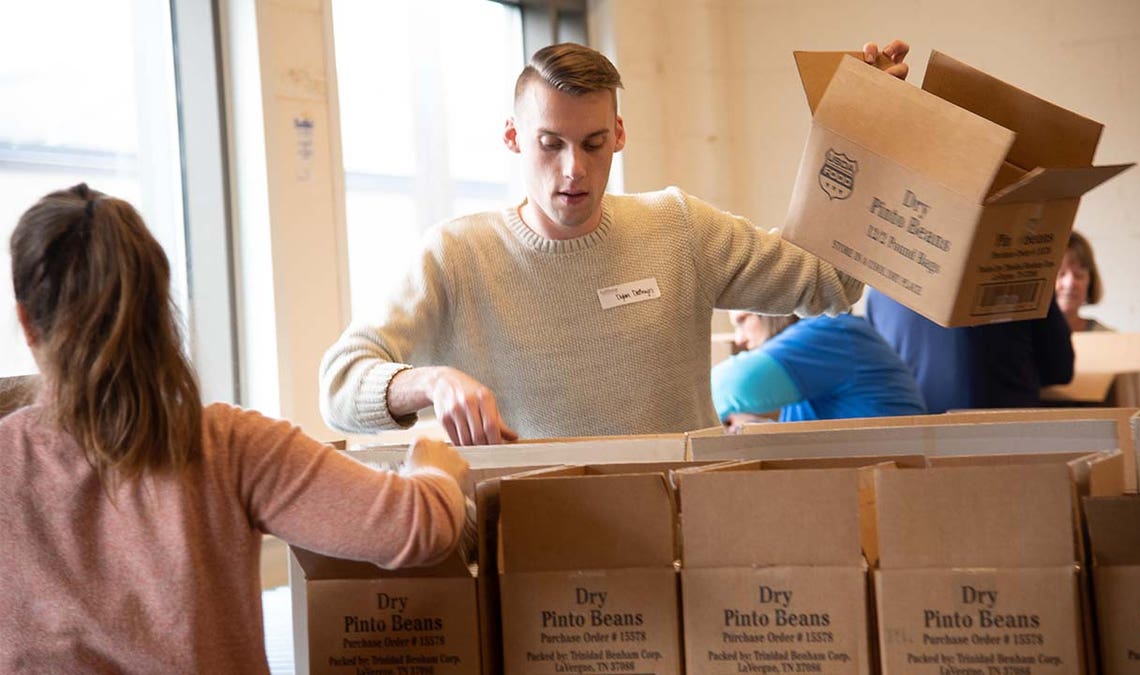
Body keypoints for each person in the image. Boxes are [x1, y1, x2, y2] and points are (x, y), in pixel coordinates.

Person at [320, 40, 911, 445]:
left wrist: (869, 129)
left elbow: (832, 278)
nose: (573, 169)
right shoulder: (455, 257)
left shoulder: (679, 228)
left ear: (619, 134)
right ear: (512, 137)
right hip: (528, 551)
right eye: (550, 144)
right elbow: (340, 383)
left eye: (594, 143)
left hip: (686, 544)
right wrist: (428, 381)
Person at [1, 184, 469, 672]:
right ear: (159, 311)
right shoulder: (226, 445)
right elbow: (416, 527)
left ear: (27, 323)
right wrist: (433, 463)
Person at [865, 290, 1075, 414]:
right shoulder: (1022, 277)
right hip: (1007, 442)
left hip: (917, 445)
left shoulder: (878, 292)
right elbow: (1060, 369)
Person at [711, 311, 926, 425]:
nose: (739, 338)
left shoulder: (830, 332)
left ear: (769, 305)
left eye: (741, 321)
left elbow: (724, 387)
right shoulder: (830, 338)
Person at [1056, 231, 1111, 332]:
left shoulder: (1109, 339)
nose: (1070, 283)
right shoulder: (1024, 340)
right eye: (1060, 273)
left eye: (1078, 275)